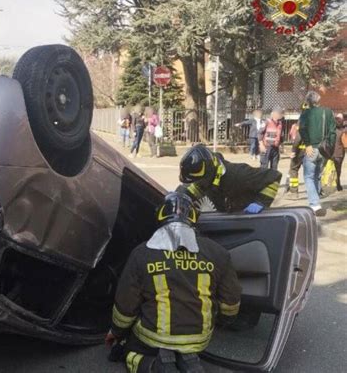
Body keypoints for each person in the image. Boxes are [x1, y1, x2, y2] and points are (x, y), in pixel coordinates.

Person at [106, 192, 241, 373]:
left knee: (128, 351)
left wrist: (116, 332)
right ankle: (186, 357)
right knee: (187, 343)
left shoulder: (142, 253)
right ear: (193, 217)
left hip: (153, 338)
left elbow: (126, 304)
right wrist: (223, 322)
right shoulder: (218, 253)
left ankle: (157, 366)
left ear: (160, 215)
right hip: (198, 339)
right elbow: (230, 301)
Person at [179, 144, 282, 214]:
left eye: (199, 181)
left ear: (209, 174)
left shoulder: (238, 174)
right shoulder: (205, 179)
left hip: (247, 220)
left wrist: (260, 202)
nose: (196, 184)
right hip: (227, 218)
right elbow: (191, 190)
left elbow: (273, 177)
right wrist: (177, 198)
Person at [299, 91, 336, 215]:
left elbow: (302, 129)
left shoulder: (305, 113)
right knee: (316, 175)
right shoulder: (328, 112)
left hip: (312, 148)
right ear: (318, 100)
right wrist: (330, 147)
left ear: (308, 101)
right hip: (324, 150)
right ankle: (316, 201)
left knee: (309, 177)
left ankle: (314, 205)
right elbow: (333, 132)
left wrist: (308, 144)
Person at [333, 113, 346, 191]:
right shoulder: (342, 133)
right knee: (338, 169)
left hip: (330, 153)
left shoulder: (330, 132)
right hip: (339, 154)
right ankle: (338, 184)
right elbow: (345, 144)